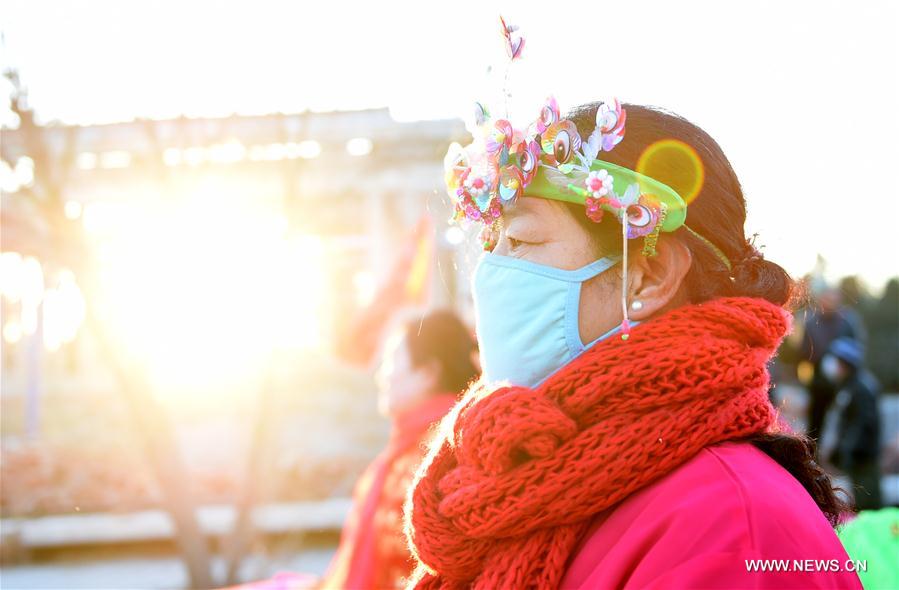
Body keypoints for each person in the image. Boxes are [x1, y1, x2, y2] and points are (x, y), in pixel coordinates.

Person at [403, 90, 862, 586]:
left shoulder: (730, 527)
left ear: (648, 275)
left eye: (523, 240)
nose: (489, 273)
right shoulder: (524, 482)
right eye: (492, 244)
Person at [320, 310, 478, 590]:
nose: (382, 376)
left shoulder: (436, 454)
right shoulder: (413, 446)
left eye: (392, 362)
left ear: (428, 373)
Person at [819, 337, 882, 510]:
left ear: (845, 364)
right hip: (854, 464)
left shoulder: (861, 389)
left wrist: (845, 454)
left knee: (867, 509)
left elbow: (861, 427)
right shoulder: (847, 387)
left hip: (863, 464)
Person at [801, 287, 866, 440]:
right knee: (816, 420)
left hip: (843, 381)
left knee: (845, 419)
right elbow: (803, 353)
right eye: (827, 298)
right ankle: (813, 452)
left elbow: (857, 348)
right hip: (819, 382)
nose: (829, 302)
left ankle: (840, 454)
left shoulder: (848, 321)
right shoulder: (811, 322)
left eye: (833, 298)